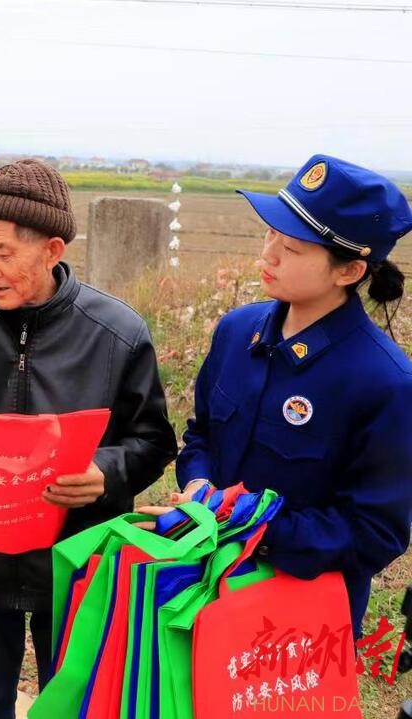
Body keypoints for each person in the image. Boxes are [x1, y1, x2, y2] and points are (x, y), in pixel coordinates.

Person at [0, 159, 178, 718]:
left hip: (79, 566)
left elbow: (153, 441)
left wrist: (105, 471)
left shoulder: (117, 334)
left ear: (53, 250)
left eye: (4, 253)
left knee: (72, 705)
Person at [160, 154, 412, 637]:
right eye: (271, 234)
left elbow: (374, 533)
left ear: (349, 271)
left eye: (292, 248)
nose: (268, 254)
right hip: (198, 588)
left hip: (297, 621)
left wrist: (246, 526)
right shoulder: (237, 332)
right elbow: (202, 437)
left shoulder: (384, 382)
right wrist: (198, 492)